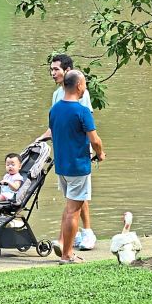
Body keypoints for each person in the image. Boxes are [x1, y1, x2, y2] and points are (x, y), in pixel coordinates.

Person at [39, 54, 96, 250]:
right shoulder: (57, 94)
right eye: (51, 69)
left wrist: (96, 150)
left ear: (67, 70)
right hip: (64, 152)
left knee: (77, 197)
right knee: (73, 198)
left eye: (56, 69)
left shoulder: (82, 93)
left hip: (78, 151)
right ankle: (71, 237)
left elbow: (85, 121)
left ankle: (85, 233)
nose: (52, 73)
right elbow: (56, 124)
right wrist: (40, 138)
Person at [49, 69, 105, 264]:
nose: (85, 88)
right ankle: (67, 254)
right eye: (85, 84)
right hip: (78, 167)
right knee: (74, 211)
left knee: (69, 207)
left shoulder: (54, 109)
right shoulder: (82, 111)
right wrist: (100, 154)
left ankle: (64, 247)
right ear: (79, 85)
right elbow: (95, 140)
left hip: (62, 167)